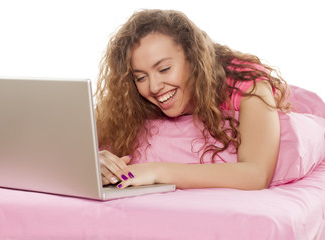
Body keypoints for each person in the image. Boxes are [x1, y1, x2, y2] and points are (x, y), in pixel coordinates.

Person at [95, 9, 291, 191]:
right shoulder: (135, 98)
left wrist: (157, 172)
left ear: (193, 59)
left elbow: (257, 175)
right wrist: (95, 160)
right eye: (141, 77)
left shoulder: (249, 85)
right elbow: (80, 136)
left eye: (164, 69)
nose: (154, 87)